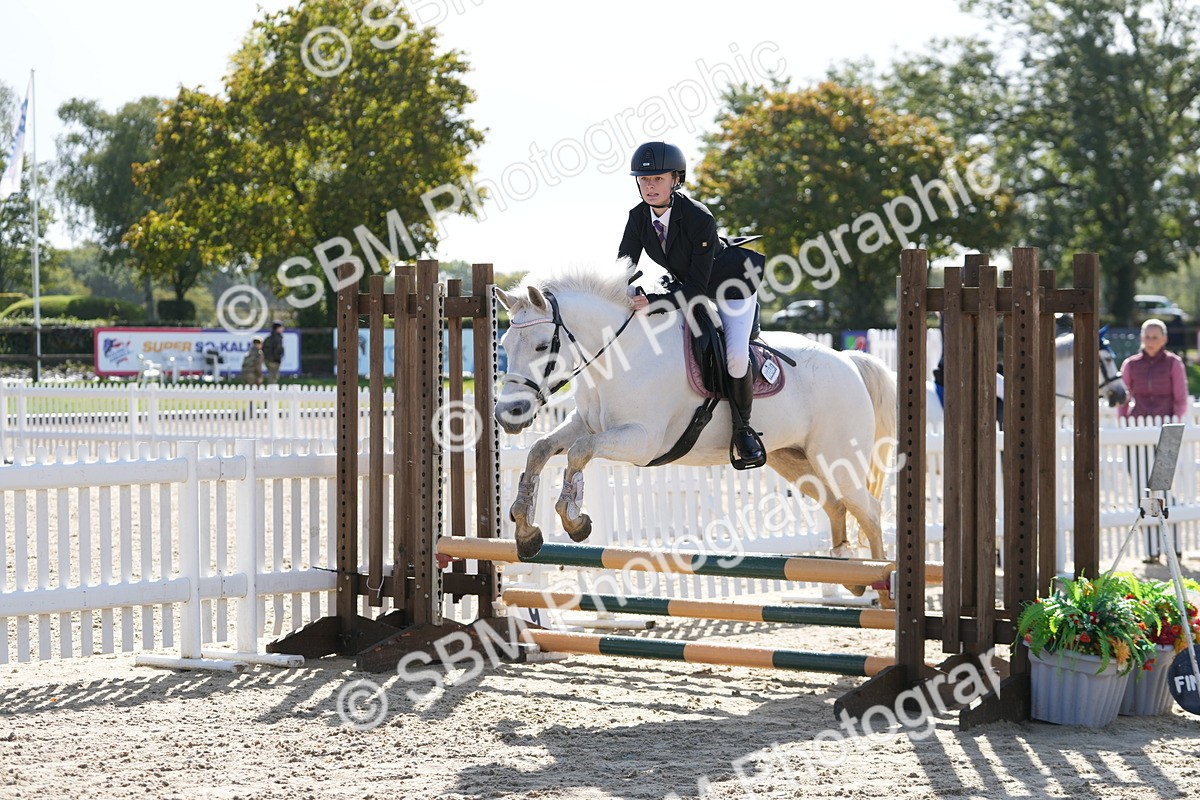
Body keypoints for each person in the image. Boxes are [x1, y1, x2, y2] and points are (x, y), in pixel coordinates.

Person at [617, 141, 767, 468]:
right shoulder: (638, 217)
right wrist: (621, 291)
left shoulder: (698, 217)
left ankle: (744, 430)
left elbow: (698, 289)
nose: (650, 186)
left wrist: (654, 301)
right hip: (689, 286)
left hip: (732, 286)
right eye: (644, 180)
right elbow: (623, 266)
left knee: (736, 355)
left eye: (658, 178)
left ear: (675, 179)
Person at [1118, 318, 1189, 563]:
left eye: (1155, 337)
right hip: (1137, 432)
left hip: (1164, 432)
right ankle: (1151, 550)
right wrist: (1124, 424)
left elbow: (1181, 399)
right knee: (1144, 491)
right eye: (1147, 336)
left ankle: (1175, 547)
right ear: (1141, 338)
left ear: (1165, 339)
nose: (1150, 341)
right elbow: (1124, 399)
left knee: (1165, 489)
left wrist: (1173, 427)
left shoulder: (1173, 363)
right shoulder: (1130, 364)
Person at [263, 321, 285, 385]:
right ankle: (271, 391)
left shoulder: (269, 337)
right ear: (277, 328)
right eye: (281, 327)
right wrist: (276, 359)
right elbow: (277, 350)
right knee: (273, 377)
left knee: (272, 375)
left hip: (269, 360)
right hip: (274, 360)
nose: (283, 329)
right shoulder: (277, 338)